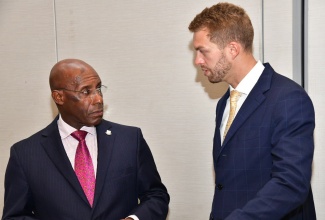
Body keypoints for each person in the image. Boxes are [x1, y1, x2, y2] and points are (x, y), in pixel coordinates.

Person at [189, 2, 315, 220]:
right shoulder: (225, 103)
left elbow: (290, 183)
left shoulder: (288, 98)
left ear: (233, 49)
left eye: (203, 51)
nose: (197, 60)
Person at [2, 59, 169, 220]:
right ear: (59, 97)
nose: (98, 99)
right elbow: (14, 216)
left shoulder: (130, 140)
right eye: (85, 92)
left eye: (98, 89)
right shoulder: (25, 154)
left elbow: (156, 196)